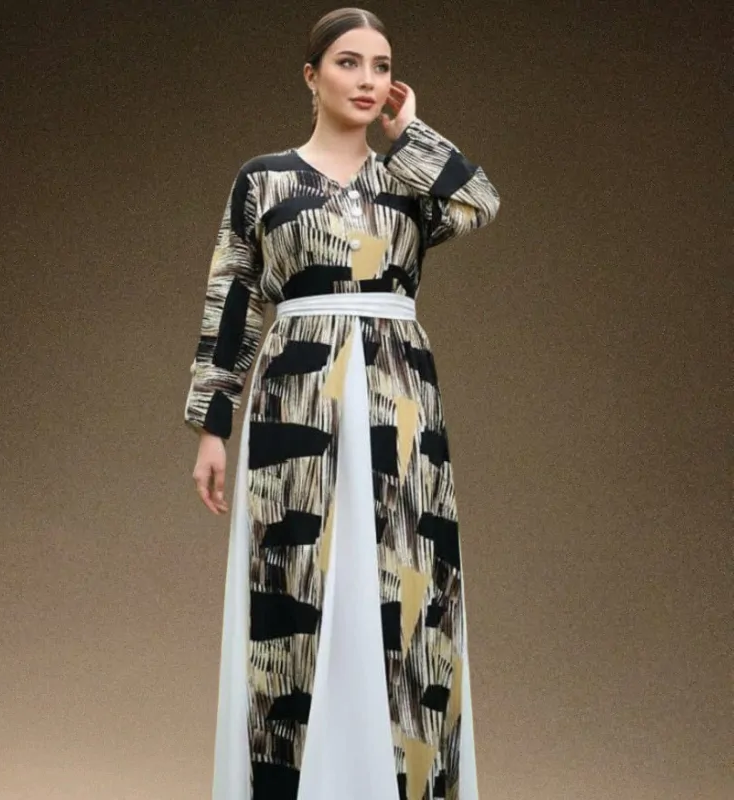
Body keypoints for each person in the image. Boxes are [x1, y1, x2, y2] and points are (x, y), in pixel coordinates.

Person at [184, 7, 500, 799]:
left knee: (412, 591)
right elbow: (233, 298)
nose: (367, 80)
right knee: (290, 592)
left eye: (381, 66)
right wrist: (214, 426)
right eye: (348, 62)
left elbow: (480, 201)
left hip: (400, 399)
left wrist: (410, 133)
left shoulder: (405, 183)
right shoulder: (264, 180)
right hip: (295, 398)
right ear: (311, 75)